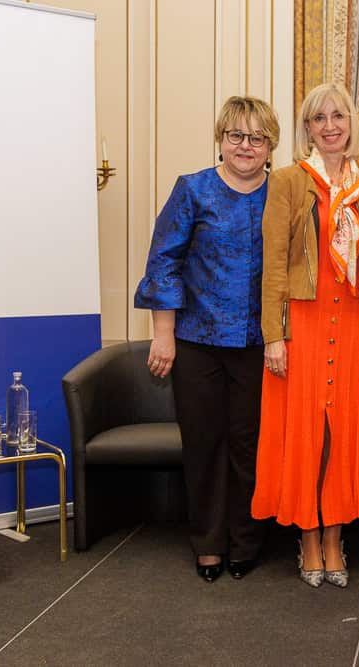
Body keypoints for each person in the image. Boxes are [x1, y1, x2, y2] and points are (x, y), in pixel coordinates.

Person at [134, 96, 280, 583]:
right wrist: (163, 335)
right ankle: (209, 544)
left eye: (257, 137)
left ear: (271, 145)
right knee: (203, 443)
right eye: (236, 135)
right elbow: (163, 263)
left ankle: (246, 541)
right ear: (221, 139)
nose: (246, 146)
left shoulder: (282, 193)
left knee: (249, 446)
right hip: (196, 342)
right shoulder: (192, 189)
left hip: (261, 345)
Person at [251, 82, 359, 589]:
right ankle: (308, 537)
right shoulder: (288, 181)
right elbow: (273, 264)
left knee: (344, 434)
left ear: (351, 124)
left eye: (338, 116)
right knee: (305, 434)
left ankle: (335, 538)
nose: (329, 126)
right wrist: (273, 335)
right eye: (318, 118)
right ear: (307, 128)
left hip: (353, 322)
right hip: (302, 325)